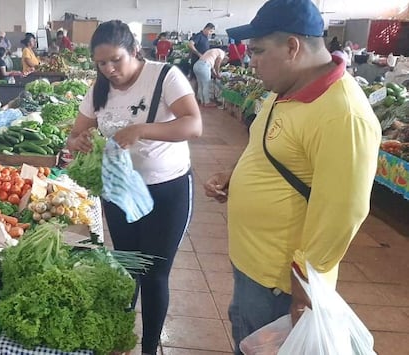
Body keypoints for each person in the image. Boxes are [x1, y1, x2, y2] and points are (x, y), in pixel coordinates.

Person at [204, 0, 381, 352]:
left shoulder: (343, 115)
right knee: (247, 339)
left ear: (292, 47)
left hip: (282, 283)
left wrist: (302, 289)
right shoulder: (284, 90)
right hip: (252, 264)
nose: (250, 61)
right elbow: (265, 145)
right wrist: (235, 175)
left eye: (257, 51)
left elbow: (342, 212)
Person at [66, 20, 201, 355]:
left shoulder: (165, 76)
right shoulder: (99, 89)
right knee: (128, 268)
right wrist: (80, 139)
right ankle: (121, 336)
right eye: (101, 63)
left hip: (166, 191)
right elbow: (75, 132)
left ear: (135, 52)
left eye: (116, 60)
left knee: (155, 274)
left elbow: (193, 124)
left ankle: (150, 347)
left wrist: (142, 130)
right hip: (120, 192)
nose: (109, 69)